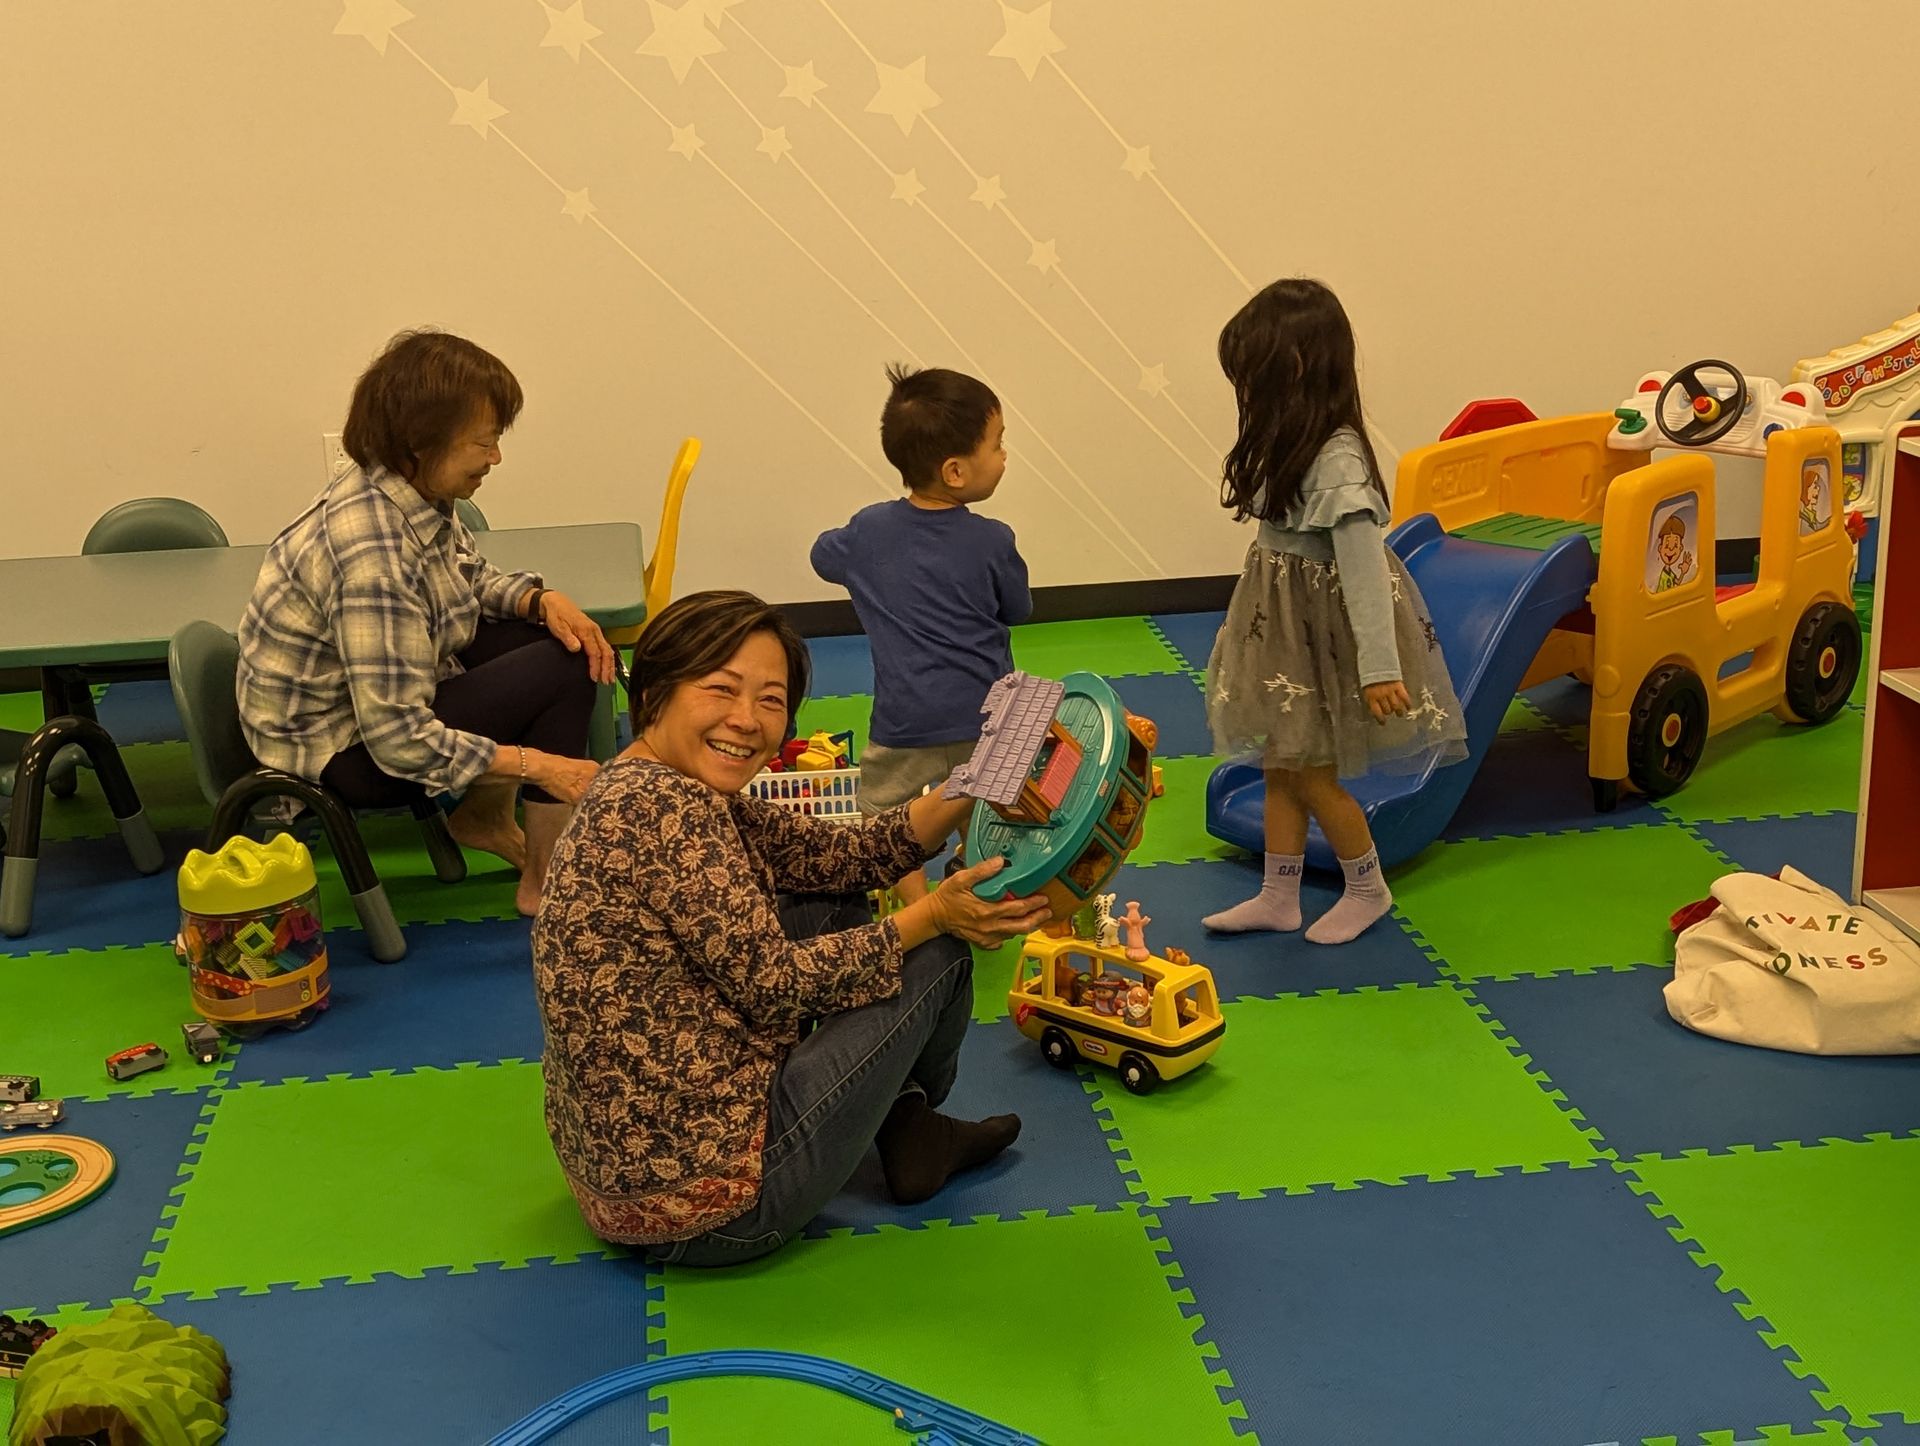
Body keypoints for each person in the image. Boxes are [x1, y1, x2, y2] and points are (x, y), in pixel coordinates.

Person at [532, 590, 1048, 1266]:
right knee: (941, 952)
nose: (746, 720)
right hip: (718, 1209)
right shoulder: (672, 815)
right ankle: (913, 1121)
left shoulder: (640, 782)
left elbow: (852, 855)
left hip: (620, 1182)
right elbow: (776, 986)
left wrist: (975, 782)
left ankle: (903, 1121)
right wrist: (936, 914)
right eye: (722, 690)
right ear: (657, 692)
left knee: (830, 893)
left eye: (771, 701)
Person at [236, 329, 613, 916]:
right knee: (564, 667)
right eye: (482, 443)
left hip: (384, 703)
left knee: (559, 640)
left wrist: (542, 600)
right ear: (420, 443)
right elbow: (397, 739)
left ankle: (487, 821)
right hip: (346, 753)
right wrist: (538, 765)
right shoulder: (371, 555)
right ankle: (545, 879)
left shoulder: (406, 490)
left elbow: (467, 577)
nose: (495, 458)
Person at [1202, 280, 1468, 944]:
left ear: (1293, 367)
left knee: (1316, 778)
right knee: (1280, 766)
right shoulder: (1283, 436)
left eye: (1255, 374)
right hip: (1282, 633)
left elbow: (1364, 574)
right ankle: (1278, 895)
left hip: (1323, 639)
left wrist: (1379, 668)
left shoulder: (1337, 456)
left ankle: (1367, 888)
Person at [810, 365, 1031, 900]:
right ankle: (975, 874)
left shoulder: (868, 529)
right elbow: (1018, 609)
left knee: (888, 816)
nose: (1006, 456)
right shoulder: (993, 540)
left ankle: (920, 907)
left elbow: (821, 556)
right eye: (998, 445)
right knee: (983, 797)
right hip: (988, 715)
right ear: (955, 471)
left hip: (904, 718)